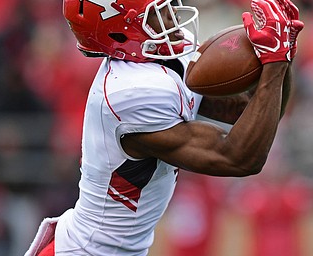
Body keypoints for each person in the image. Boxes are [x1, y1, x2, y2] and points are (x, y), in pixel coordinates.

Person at [25, 0, 304, 255]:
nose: (172, 19)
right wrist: (274, 63)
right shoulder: (130, 93)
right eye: (157, 15)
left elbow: (251, 113)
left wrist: (281, 55)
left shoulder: (160, 60)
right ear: (121, 33)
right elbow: (239, 157)